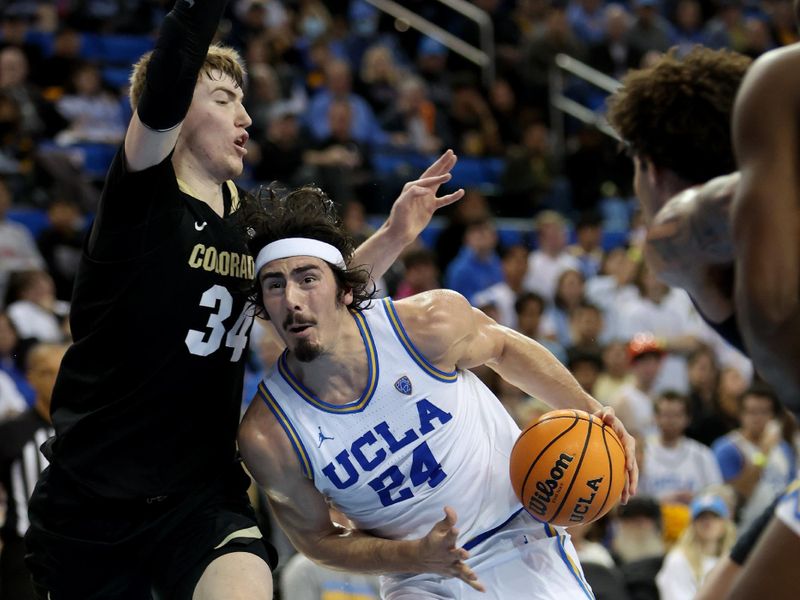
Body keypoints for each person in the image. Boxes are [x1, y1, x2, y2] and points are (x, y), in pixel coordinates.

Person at [23, 0, 466, 596]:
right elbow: (170, 73)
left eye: (244, 101)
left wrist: (394, 235)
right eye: (224, 99)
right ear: (178, 111)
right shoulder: (142, 200)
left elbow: (318, 299)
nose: (246, 117)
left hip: (198, 496)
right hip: (93, 500)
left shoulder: (250, 223)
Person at [237, 185, 638, 599]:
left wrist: (594, 412)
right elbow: (317, 541)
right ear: (264, 308)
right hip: (420, 579)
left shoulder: (425, 325)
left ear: (345, 290)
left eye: (307, 279)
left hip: (522, 536)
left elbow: (503, 347)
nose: (292, 299)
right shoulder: (268, 434)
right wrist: (415, 555)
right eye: (274, 286)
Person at [0, 343, 64, 600]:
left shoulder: (89, 431)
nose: (57, 380)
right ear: (31, 378)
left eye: (62, 371)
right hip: (23, 551)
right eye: (48, 372)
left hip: (79, 548)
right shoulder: (11, 433)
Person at [655, 493, 736, 600]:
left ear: (725, 523)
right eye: (702, 517)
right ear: (692, 524)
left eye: (715, 517)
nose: (708, 522)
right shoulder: (678, 559)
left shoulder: (732, 559)